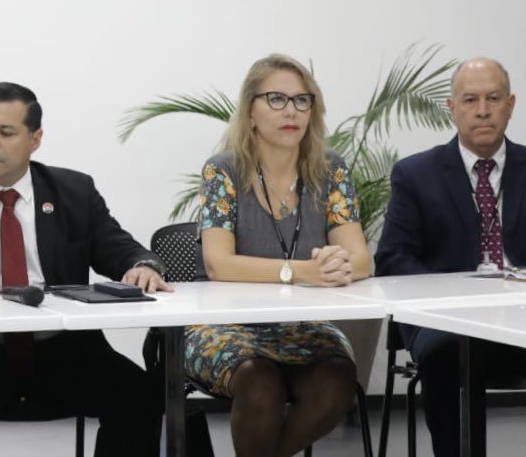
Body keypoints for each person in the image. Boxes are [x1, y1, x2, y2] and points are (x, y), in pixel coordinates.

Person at [0, 81, 169, 457]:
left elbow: (120, 248)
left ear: (35, 139)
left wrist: (143, 265)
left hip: (62, 349)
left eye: (6, 133)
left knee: (140, 395)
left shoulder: (73, 191)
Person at [187, 53, 370, 457]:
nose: (291, 111)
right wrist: (303, 271)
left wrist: (338, 267)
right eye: (276, 99)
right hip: (223, 325)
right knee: (258, 381)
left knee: (338, 379)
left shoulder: (330, 170)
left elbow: (360, 259)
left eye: (302, 100)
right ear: (250, 111)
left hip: (302, 326)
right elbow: (220, 264)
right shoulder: (224, 170)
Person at [375, 56, 526, 457]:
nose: (482, 110)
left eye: (493, 99)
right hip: (445, 321)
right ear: (452, 107)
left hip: (520, 318)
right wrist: (458, 294)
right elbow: (393, 259)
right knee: (450, 352)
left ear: (510, 105)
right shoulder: (415, 175)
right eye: (470, 99)